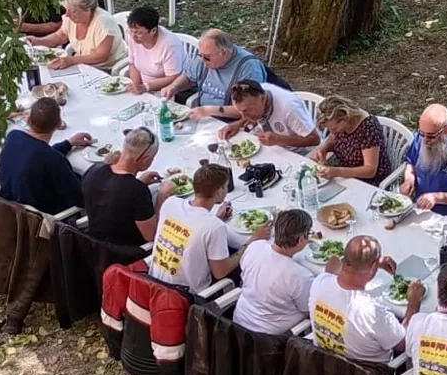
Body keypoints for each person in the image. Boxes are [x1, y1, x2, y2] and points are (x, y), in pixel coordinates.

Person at [307, 233, 422, 363]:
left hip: (325, 364)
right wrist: (413, 304)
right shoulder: (373, 312)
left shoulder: (320, 282)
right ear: (373, 268)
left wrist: (368, 263)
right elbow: (403, 344)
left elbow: (332, 264)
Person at [150, 163, 262, 294]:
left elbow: (194, 227)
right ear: (220, 191)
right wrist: (251, 242)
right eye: (226, 187)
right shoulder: (214, 227)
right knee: (250, 261)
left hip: (153, 283)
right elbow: (220, 272)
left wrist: (216, 218)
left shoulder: (171, 202)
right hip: (184, 296)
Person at [80, 127, 175, 248]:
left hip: (95, 244)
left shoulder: (94, 170)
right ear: (146, 161)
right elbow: (151, 235)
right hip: (124, 253)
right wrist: (163, 197)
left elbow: (111, 196)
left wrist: (139, 181)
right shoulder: (136, 191)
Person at [0, 97, 94, 215]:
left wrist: (68, 144)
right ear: (59, 124)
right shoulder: (53, 160)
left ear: (28, 120)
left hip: (8, 209)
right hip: (41, 219)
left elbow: (36, 154)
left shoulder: (13, 136)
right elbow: (80, 199)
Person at [232, 210, 318, 337]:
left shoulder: (255, 247)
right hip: (270, 340)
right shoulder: (300, 276)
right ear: (300, 240)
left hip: (238, 323)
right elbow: (308, 308)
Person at [25, 0, 126, 71]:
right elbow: (59, 37)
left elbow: (101, 56)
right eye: (66, 10)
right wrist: (36, 41)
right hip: (85, 66)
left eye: (72, 11)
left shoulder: (103, 23)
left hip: (108, 69)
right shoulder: (71, 19)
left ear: (88, 10)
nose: (67, 15)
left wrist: (70, 60)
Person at [210, 78, 319, 149]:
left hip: (299, 153)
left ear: (263, 99)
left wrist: (278, 139)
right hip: (273, 146)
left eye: (248, 110)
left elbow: (315, 139)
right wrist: (238, 124)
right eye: (241, 111)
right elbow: (248, 112)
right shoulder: (259, 90)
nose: (244, 116)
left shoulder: (289, 108)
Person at [122, 5, 201, 97]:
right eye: (131, 31)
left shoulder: (169, 45)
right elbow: (132, 63)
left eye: (139, 33)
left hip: (170, 88)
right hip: (145, 85)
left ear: (153, 30)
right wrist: (137, 85)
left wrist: (146, 87)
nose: (133, 36)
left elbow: (173, 77)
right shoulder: (133, 37)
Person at [308, 96, 386, 181]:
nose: (332, 132)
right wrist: (323, 148)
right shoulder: (341, 124)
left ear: (345, 118)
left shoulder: (368, 129)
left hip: (367, 180)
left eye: (334, 129)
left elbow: (370, 170)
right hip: (345, 172)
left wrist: (337, 172)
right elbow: (332, 139)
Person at [186, 29, 267, 111]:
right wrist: (173, 88)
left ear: (224, 53)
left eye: (207, 57)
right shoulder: (204, 56)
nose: (202, 60)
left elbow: (248, 109)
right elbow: (188, 78)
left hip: (230, 120)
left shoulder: (249, 68)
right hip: (204, 114)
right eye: (200, 55)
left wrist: (209, 110)